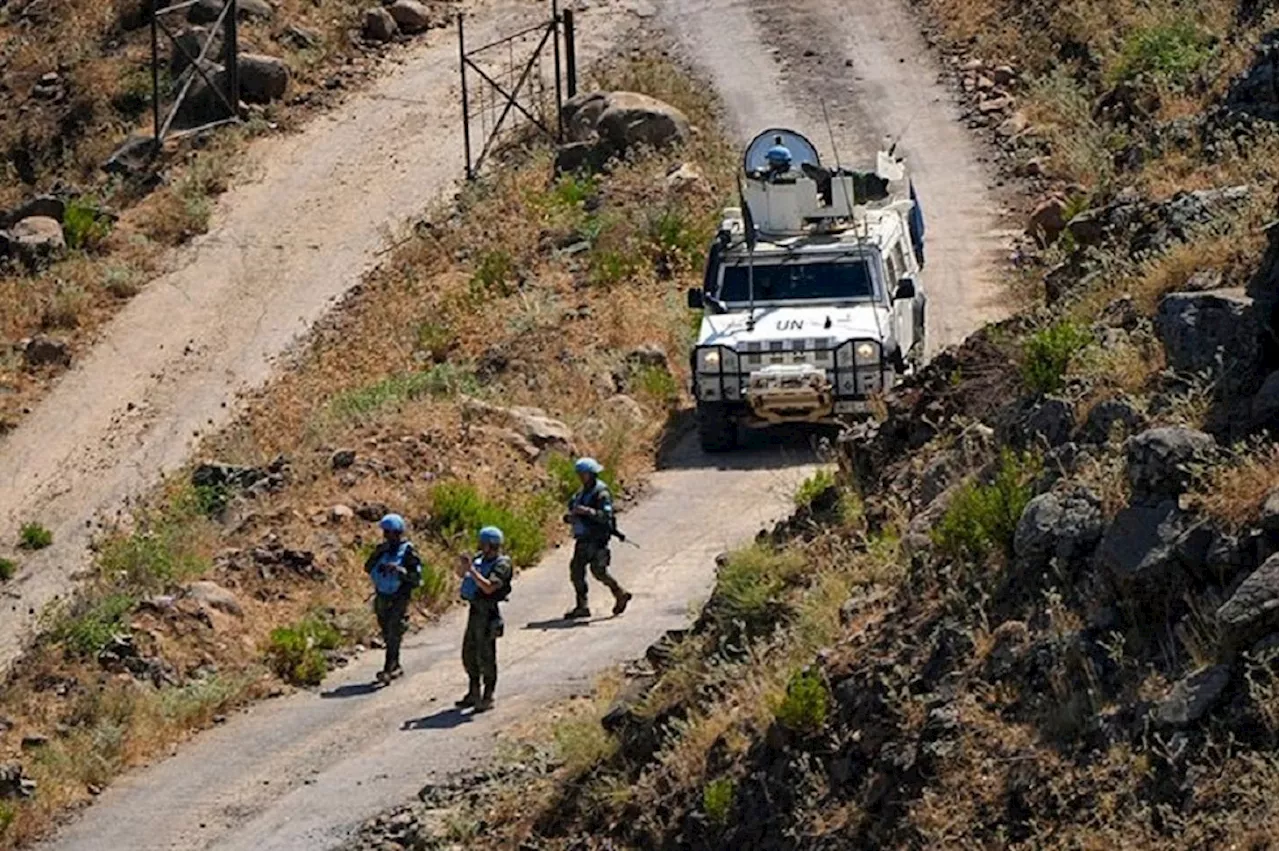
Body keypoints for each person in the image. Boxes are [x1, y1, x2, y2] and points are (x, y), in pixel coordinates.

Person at [562, 458, 631, 620]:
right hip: (583, 538)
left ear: (592, 474)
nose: (580, 477)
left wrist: (588, 512)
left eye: (583, 474)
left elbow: (605, 517)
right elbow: (573, 510)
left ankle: (620, 593)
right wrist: (570, 517)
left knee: (599, 572)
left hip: (597, 539)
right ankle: (582, 606)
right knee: (576, 572)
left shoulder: (601, 493)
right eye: (579, 474)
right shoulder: (581, 493)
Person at [454, 526, 513, 713]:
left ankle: (487, 696)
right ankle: (473, 692)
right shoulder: (480, 560)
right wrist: (464, 566)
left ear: (492, 545)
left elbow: (489, 588)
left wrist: (472, 570)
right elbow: (462, 575)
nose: (480, 546)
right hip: (475, 611)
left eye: (483, 543)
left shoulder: (502, 564)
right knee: (469, 653)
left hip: (488, 613)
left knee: (486, 656)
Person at [364, 513, 422, 684]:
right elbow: (367, 567)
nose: (388, 536)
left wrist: (400, 571)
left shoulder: (409, 552)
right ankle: (395, 664)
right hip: (382, 595)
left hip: (399, 596)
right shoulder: (381, 549)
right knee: (386, 631)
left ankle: (389, 668)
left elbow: (416, 578)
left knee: (393, 629)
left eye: (391, 533)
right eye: (385, 532)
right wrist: (379, 562)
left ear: (398, 533)